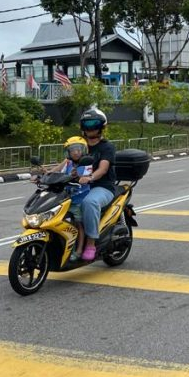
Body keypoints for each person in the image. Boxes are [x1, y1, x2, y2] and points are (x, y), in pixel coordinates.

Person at [78, 107, 117, 261]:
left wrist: (91, 177)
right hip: (79, 186)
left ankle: (90, 243)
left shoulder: (107, 147)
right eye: (87, 124)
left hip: (102, 187)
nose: (90, 127)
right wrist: (47, 173)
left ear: (101, 126)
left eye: (94, 123)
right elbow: (65, 163)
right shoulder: (79, 145)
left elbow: (103, 169)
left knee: (89, 202)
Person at [54, 136, 91, 261]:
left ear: (83, 150)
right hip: (66, 199)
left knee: (79, 224)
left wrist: (80, 176)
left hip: (80, 200)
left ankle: (79, 250)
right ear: (68, 152)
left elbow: (88, 176)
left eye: (78, 149)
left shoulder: (87, 163)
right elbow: (56, 172)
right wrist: (42, 176)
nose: (76, 152)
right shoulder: (68, 163)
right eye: (73, 150)